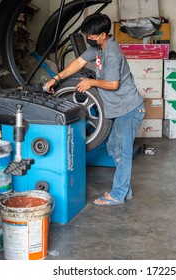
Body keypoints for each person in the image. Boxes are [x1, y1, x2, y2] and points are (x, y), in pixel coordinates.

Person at [44, 13, 145, 206]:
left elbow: (113, 84)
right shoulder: (98, 48)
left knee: (122, 152)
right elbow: (78, 63)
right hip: (120, 109)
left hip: (130, 109)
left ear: (102, 35)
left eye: (91, 36)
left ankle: (118, 194)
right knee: (112, 147)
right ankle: (125, 190)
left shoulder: (112, 54)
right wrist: (56, 78)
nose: (87, 39)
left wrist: (91, 82)